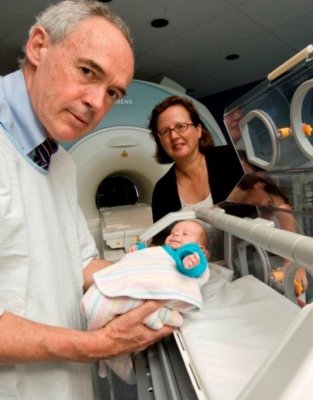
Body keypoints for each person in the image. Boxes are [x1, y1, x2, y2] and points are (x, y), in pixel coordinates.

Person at [0, 1, 173, 398]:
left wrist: (158, 272)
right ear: (39, 47)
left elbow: (79, 262)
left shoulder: (59, 162)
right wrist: (100, 345)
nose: (98, 102)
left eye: (112, 92)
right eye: (87, 71)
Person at [81, 220, 210, 384]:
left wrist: (191, 263)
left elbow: (197, 270)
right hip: (144, 285)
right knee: (103, 303)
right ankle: (111, 340)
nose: (177, 234)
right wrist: (137, 251)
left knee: (103, 306)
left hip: (161, 290)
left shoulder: (192, 253)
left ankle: (117, 351)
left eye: (185, 234)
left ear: (202, 249)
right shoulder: (162, 250)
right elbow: (146, 258)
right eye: (174, 232)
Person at [149, 95, 244, 223]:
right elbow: (162, 238)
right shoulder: (162, 190)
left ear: (198, 130)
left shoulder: (231, 159)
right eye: (165, 131)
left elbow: (261, 202)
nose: (174, 136)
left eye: (181, 126)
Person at [225, 172, 308, 298]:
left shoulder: (268, 210)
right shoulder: (225, 197)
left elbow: (289, 235)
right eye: (269, 203)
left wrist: (292, 265)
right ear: (259, 185)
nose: (265, 213)